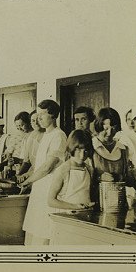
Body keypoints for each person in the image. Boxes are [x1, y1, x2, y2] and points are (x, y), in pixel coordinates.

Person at [17, 99, 67, 245]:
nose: (38, 119)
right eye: (37, 115)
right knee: (35, 231)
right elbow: (39, 165)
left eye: (42, 115)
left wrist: (28, 181)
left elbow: (47, 167)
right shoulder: (46, 135)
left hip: (49, 189)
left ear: (53, 115)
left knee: (44, 233)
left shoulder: (59, 135)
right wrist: (28, 177)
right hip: (39, 189)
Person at [48, 130, 95, 212]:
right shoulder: (63, 170)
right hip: (66, 216)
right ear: (71, 148)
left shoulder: (89, 169)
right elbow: (51, 201)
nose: (82, 155)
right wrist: (75, 206)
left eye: (86, 150)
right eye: (78, 150)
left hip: (85, 215)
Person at [17, 110, 45, 176]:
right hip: (33, 173)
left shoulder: (48, 135)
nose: (36, 123)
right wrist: (18, 175)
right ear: (30, 123)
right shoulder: (30, 137)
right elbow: (27, 161)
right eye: (33, 121)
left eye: (38, 120)